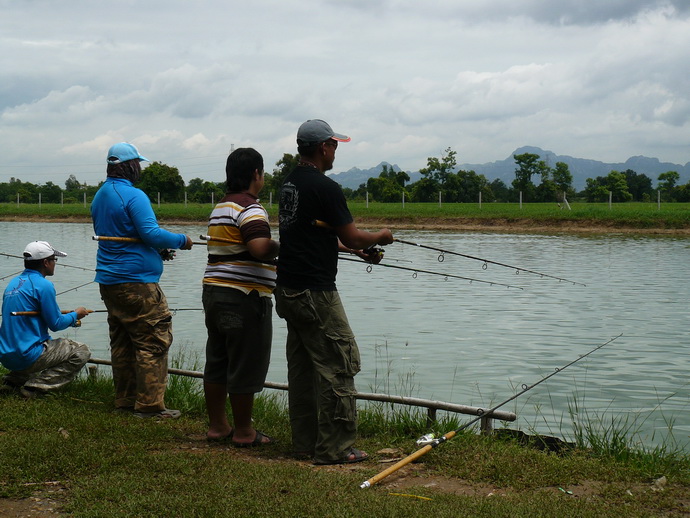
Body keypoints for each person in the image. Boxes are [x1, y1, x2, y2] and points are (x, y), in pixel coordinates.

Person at [275, 119, 394, 465]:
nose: (336, 150)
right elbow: (356, 235)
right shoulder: (326, 188)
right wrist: (379, 237)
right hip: (316, 293)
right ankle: (336, 447)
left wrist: (351, 249)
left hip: (288, 288)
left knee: (303, 368)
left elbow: (312, 233)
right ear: (323, 147)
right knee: (340, 362)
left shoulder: (290, 184)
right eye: (334, 145)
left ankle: (305, 442)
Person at [91, 142, 193, 419]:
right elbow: (151, 233)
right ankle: (149, 407)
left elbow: (130, 235)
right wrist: (181, 240)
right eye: (138, 164)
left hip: (110, 281)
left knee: (123, 341)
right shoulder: (134, 196)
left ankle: (125, 400)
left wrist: (157, 251)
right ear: (128, 166)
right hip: (137, 283)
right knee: (153, 340)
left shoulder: (100, 196)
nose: (140, 169)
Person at [202, 147, 280, 446]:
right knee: (246, 360)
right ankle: (245, 432)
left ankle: (218, 427)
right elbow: (260, 247)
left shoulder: (221, 207)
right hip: (245, 297)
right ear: (256, 174)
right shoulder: (251, 208)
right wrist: (283, 246)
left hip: (214, 293)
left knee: (218, 359)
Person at [0, 241, 91, 398]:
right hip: (27, 355)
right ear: (45, 262)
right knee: (81, 351)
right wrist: (76, 314)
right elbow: (56, 324)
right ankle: (36, 388)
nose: (55, 264)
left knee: (31, 344)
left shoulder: (12, 284)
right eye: (54, 260)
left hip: (6, 355)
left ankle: (12, 381)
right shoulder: (44, 285)